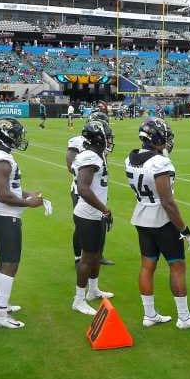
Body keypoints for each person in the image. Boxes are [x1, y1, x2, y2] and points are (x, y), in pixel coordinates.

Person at [126, 118, 190, 329]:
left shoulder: (131, 157)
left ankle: (149, 314)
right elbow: (167, 202)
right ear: (155, 138)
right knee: (177, 267)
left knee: (147, 266)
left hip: (141, 215)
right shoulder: (160, 163)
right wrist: (184, 229)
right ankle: (184, 317)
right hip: (162, 220)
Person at [0, 119, 45, 329]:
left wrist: (27, 194)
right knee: (11, 262)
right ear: (6, 135)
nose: (19, 139)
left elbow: (11, 189)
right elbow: (4, 195)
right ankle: (0, 313)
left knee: (3, 260)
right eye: (16, 135)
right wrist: (30, 202)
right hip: (4, 215)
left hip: (0, 214)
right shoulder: (1, 161)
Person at [71, 119, 116, 314]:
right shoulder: (90, 157)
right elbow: (83, 188)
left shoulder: (95, 155)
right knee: (87, 258)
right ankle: (78, 300)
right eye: (107, 137)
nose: (109, 140)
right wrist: (104, 209)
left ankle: (93, 290)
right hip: (88, 214)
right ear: (98, 139)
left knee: (96, 254)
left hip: (95, 214)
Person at [66, 113, 114, 267]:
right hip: (81, 189)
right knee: (83, 225)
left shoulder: (99, 147)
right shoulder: (79, 143)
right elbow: (71, 166)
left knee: (100, 224)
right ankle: (78, 257)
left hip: (95, 188)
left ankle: (97, 255)